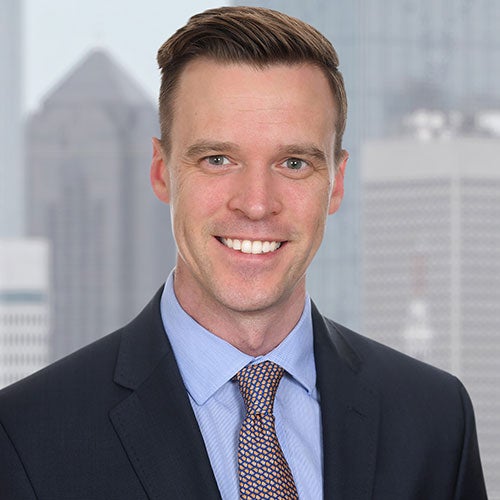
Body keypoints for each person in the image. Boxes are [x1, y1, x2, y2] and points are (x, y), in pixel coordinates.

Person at [0, 6, 487, 500]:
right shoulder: (25, 435)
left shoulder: (436, 420)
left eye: (293, 163)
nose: (256, 204)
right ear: (162, 171)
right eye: (218, 159)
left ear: (336, 183)